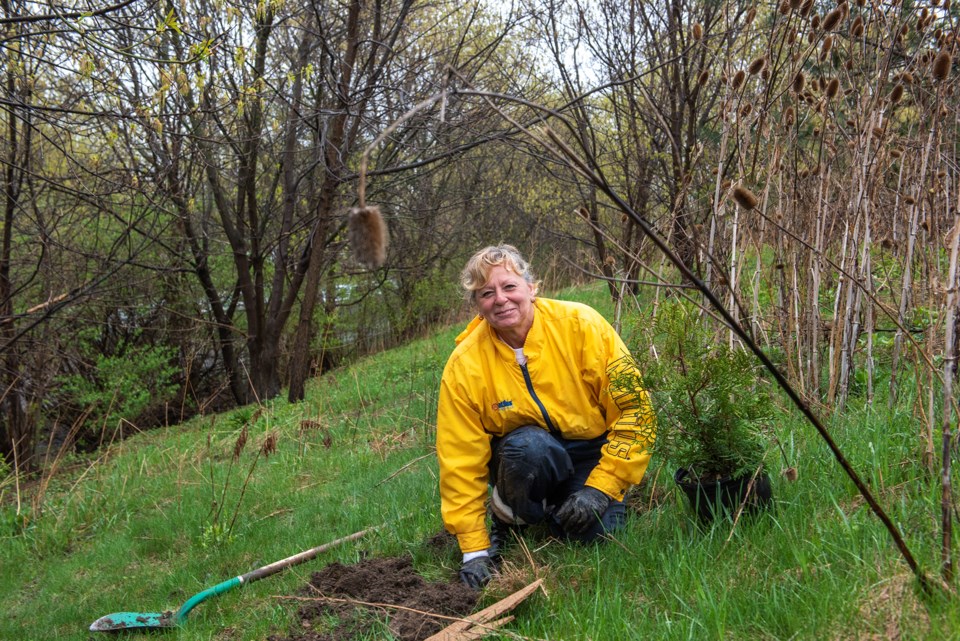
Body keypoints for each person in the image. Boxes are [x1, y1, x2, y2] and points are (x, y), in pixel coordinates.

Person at [436, 244, 656, 589]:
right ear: (477, 305)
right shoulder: (464, 364)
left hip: (590, 450)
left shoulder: (583, 325)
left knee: (597, 536)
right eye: (486, 293)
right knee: (529, 449)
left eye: (509, 287)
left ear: (531, 287)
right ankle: (510, 514)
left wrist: (601, 489)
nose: (501, 299)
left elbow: (636, 411)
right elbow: (459, 459)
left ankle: (560, 508)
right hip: (524, 455)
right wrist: (474, 550)